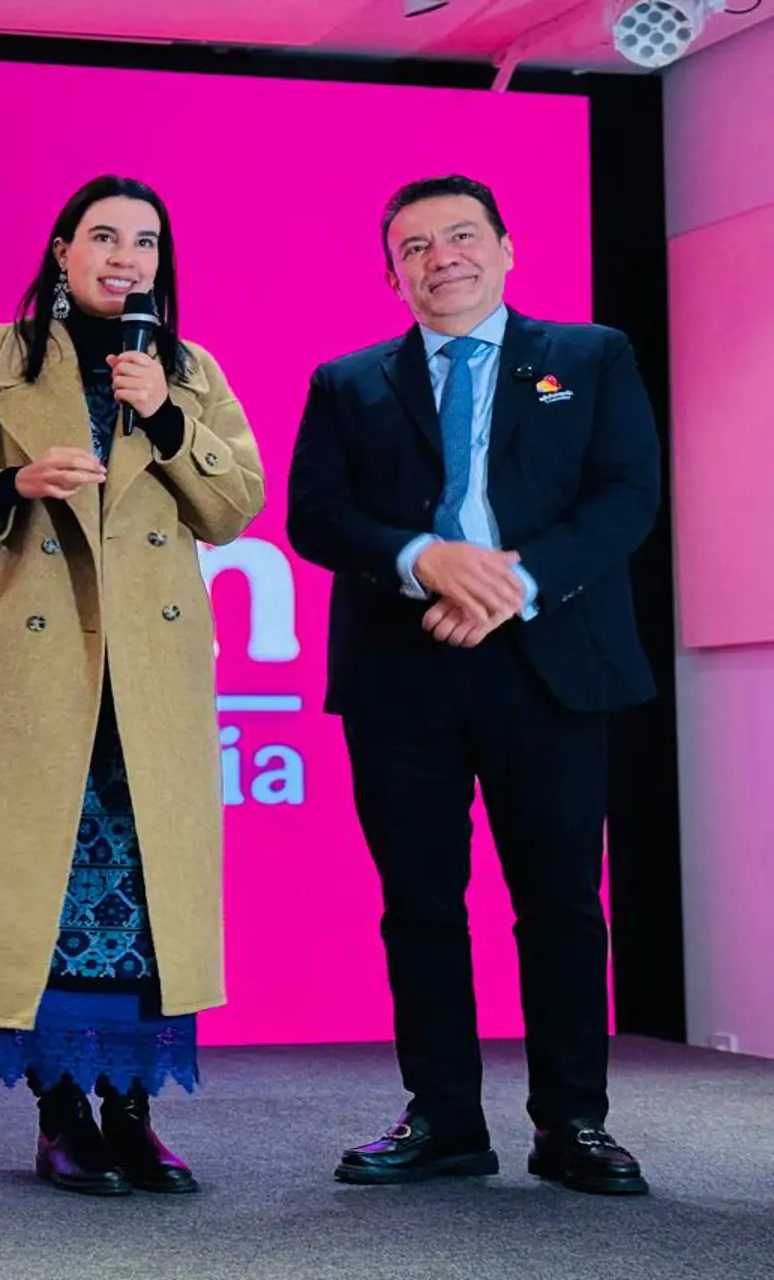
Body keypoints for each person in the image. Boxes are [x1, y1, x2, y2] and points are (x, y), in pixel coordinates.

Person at [0, 174, 265, 1196]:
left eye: (146, 242)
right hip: (29, 667)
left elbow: (236, 506)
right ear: (63, 250)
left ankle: (132, 1114)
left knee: (141, 898)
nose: (126, 258)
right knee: (44, 895)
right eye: (105, 236)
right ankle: (60, 1115)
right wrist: (11, 484)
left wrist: (170, 420)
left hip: (147, 674)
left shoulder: (186, 371)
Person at [286, 174, 660, 1196]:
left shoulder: (590, 356)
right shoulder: (347, 381)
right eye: (414, 247)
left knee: (561, 902)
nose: (441, 257)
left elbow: (627, 493)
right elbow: (316, 514)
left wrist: (512, 584)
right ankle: (444, 1119)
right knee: (419, 903)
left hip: (551, 664)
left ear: (504, 249)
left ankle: (573, 1123)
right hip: (403, 670)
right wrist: (423, 559)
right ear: (392, 274)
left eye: (461, 236)